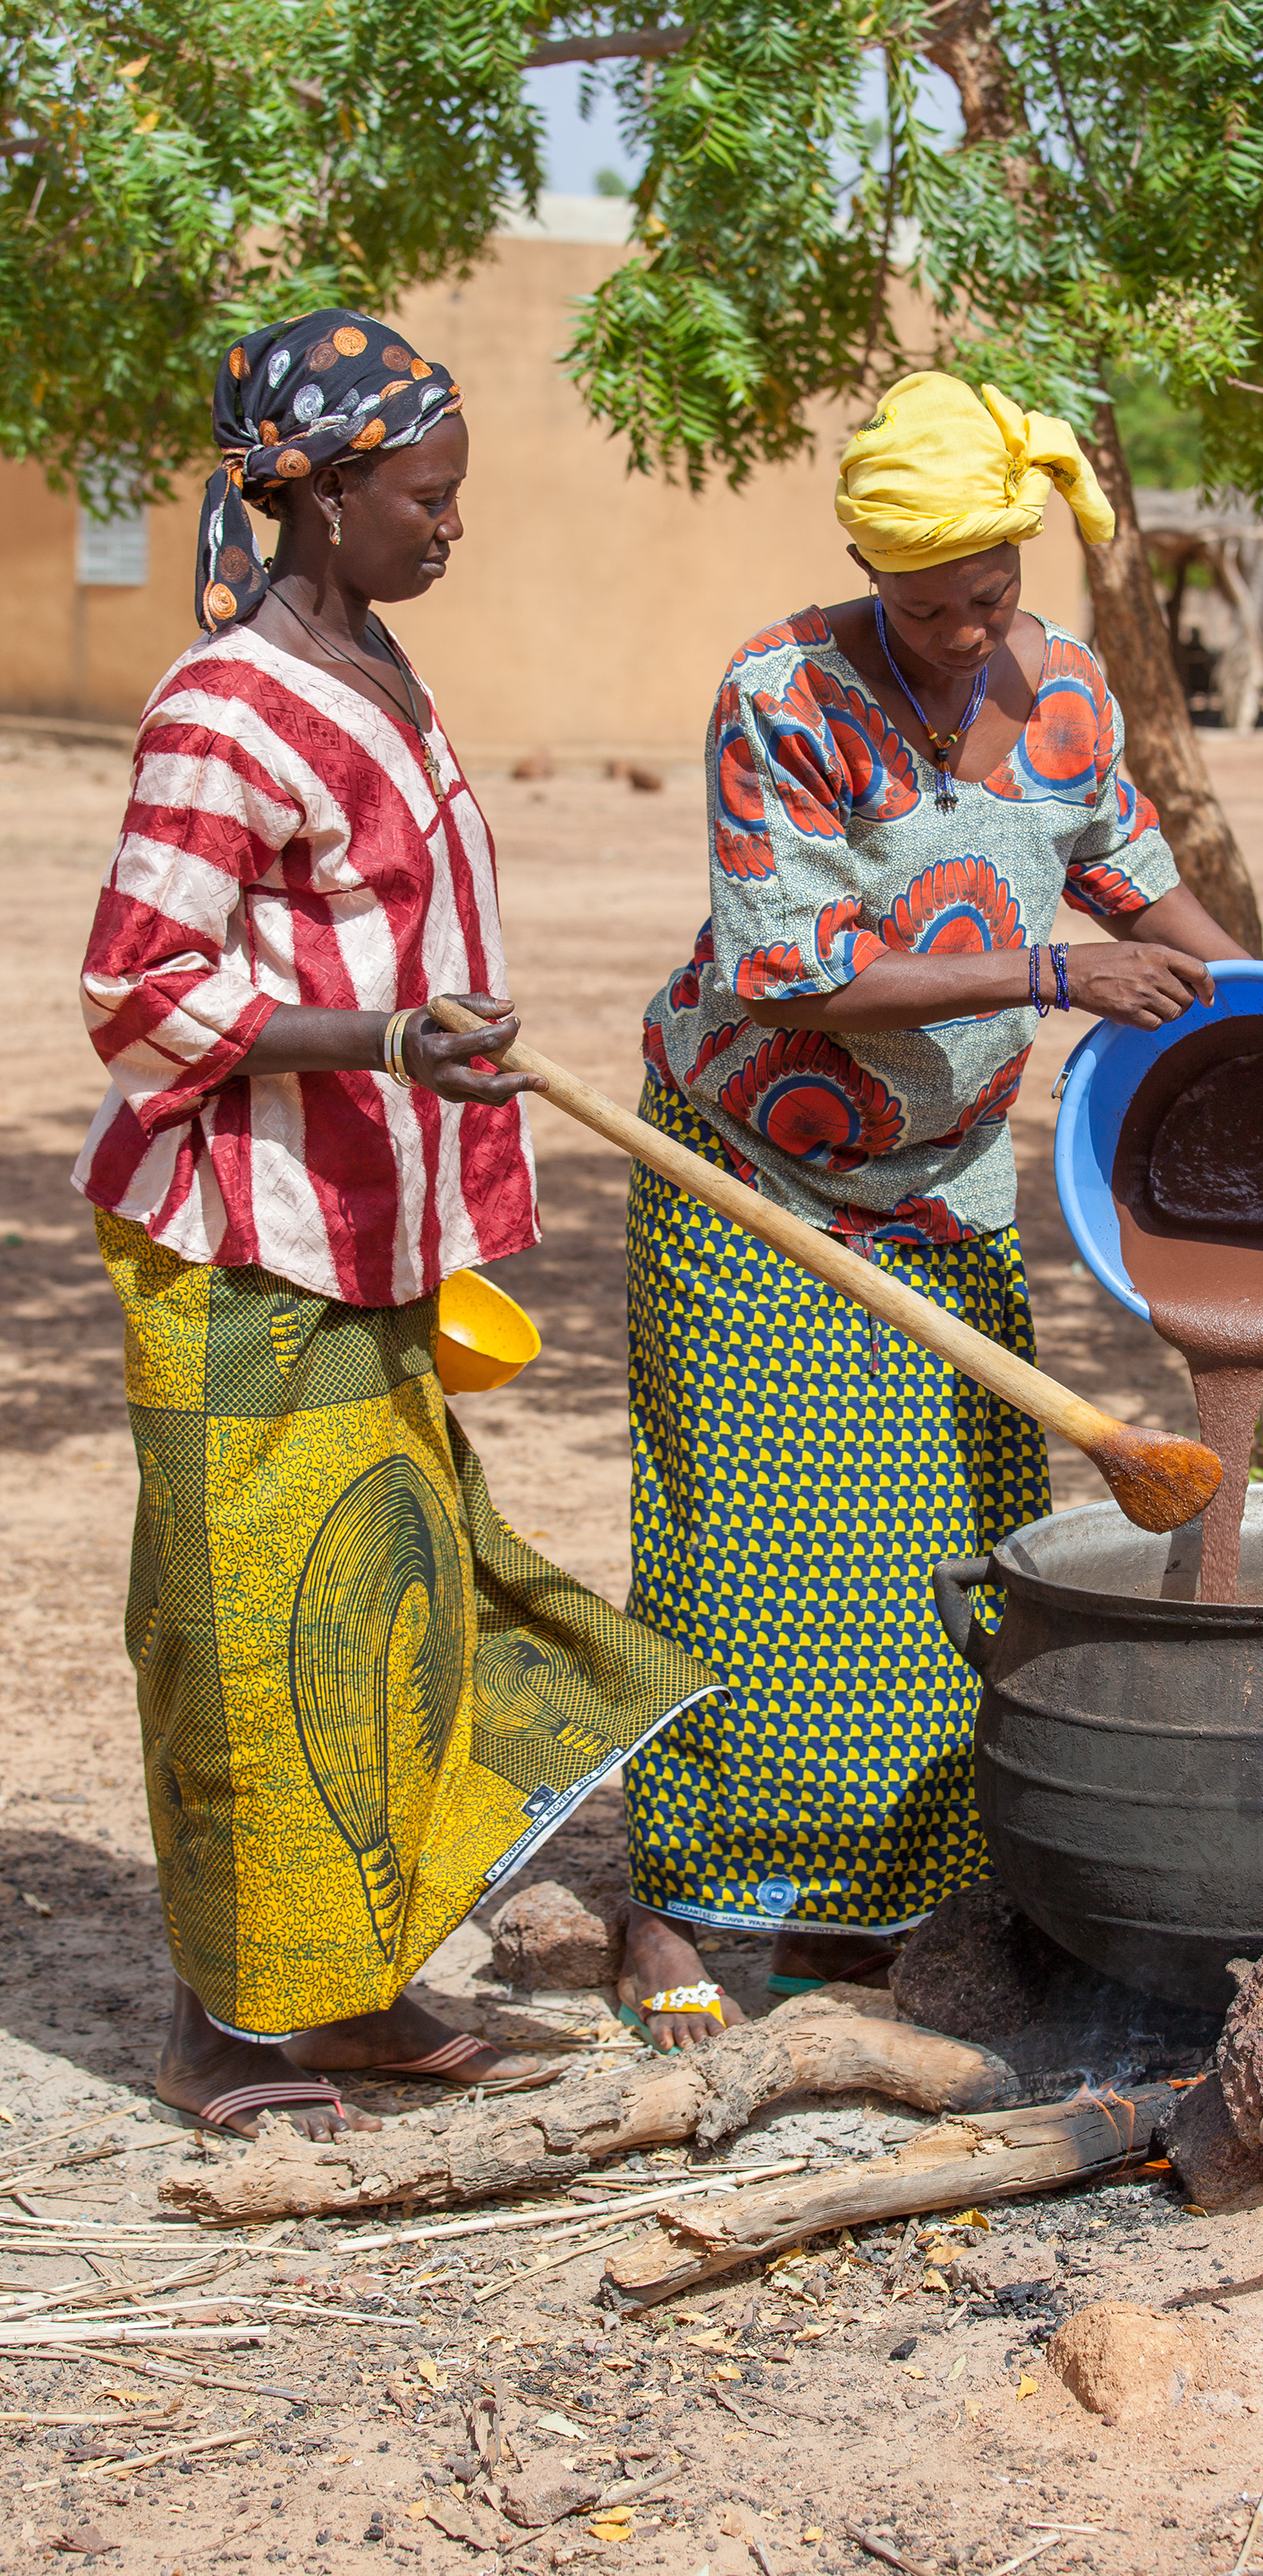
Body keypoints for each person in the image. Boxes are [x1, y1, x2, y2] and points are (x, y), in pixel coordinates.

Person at [74, 312, 716, 2137]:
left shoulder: (378, 666)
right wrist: (385, 1039)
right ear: (327, 490)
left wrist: (435, 1055)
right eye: (424, 497)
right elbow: (135, 993)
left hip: (366, 1239)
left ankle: (341, 1991)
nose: (452, 527)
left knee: (386, 1615)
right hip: (238, 1252)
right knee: (245, 1634)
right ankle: (229, 2028)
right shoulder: (223, 710)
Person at [618, 370, 1249, 2048]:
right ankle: (680, 1910)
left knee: (944, 1558)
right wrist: (1054, 972)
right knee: (745, 1547)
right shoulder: (781, 695)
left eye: (995, 594)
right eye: (928, 603)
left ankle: (883, 1911)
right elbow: (788, 970)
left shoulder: (1063, 688)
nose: (969, 630)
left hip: (949, 1174)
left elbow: (1123, 859)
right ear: (862, 566)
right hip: (759, 1169)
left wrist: (1260, 1008)